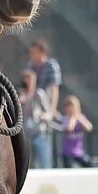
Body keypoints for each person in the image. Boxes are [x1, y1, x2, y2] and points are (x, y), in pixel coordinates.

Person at [26, 39, 62, 169]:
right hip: (31, 110)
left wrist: (51, 110)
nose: (31, 55)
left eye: (34, 52)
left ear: (42, 52)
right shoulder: (30, 65)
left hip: (44, 109)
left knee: (43, 148)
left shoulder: (51, 65)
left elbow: (54, 88)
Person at [60, 95, 93, 168]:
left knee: (91, 166)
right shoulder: (65, 119)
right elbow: (69, 129)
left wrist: (79, 118)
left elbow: (89, 127)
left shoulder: (80, 117)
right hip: (67, 153)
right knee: (68, 170)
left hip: (78, 152)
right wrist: (72, 118)